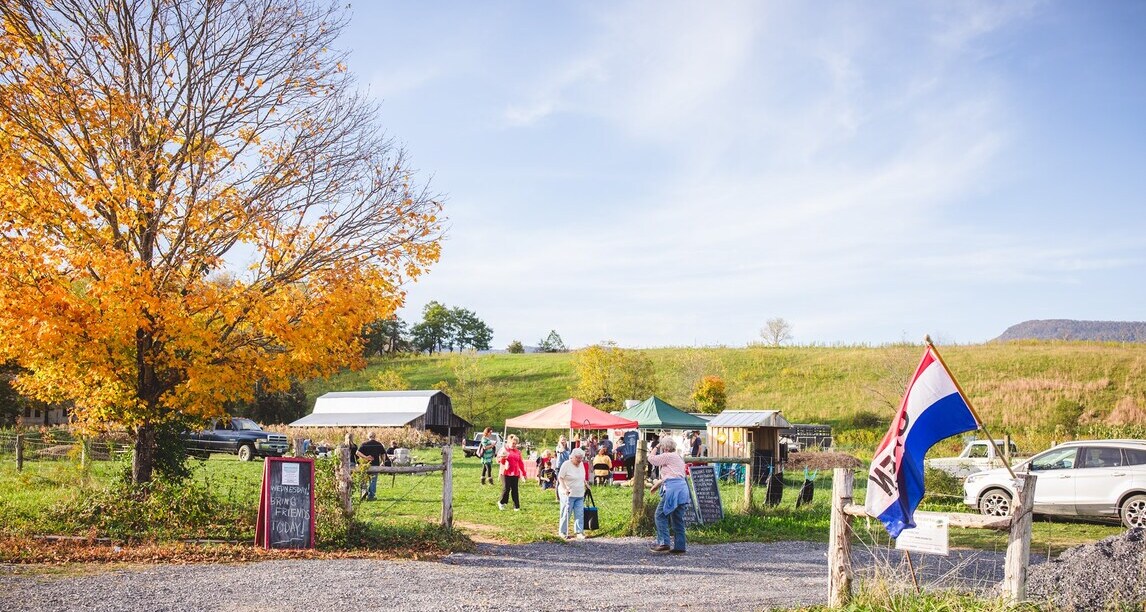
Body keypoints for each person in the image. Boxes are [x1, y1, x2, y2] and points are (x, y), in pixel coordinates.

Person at [647, 438, 689, 554]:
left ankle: (664, 542)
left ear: (665, 448)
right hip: (682, 488)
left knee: (660, 515)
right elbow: (673, 475)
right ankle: (680, 546)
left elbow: (651, 459)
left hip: (673, 489)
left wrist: (655, 446)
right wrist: (657, 485)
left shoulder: (668, 455)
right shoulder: (678, 457)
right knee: (677, 518)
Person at [557, 448, 589, 539]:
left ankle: (579, 532)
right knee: (566, 513)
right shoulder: (566, 464)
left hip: (579, 493)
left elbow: (582, 477)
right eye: (578, 458)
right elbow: (560, 478)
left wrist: (586, 484)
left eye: (581, 458)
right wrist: (564, 488)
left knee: (579, 513)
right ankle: (562, 532)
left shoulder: (581, 464)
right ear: (573, 457)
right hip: (568, 494)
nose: (579, 460)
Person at [497, 434, 526, 511]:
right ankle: (501, 502)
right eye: (513, 443)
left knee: (515, 489)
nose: (514, 445)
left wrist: (524, 473)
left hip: (515, 473)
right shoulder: (504, 450)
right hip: (505, 472)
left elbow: (520, 463)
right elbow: (499, 460)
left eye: (516, 443)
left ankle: (516, 506)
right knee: (506, 488)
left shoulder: (517, 452)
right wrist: (503, 458)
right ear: (509, 442)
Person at [356, 431, 387, 501]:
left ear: (368, 436)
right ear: (375, 437)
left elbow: (357, 453)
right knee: (373, 481)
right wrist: (383, 462)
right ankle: (371, 496)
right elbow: (383, 454)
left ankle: (364, 492)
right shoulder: (379, 444)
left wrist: (365, 457)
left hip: (365, 465)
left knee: (364, 480)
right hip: (375, 465)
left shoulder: (364, 444)